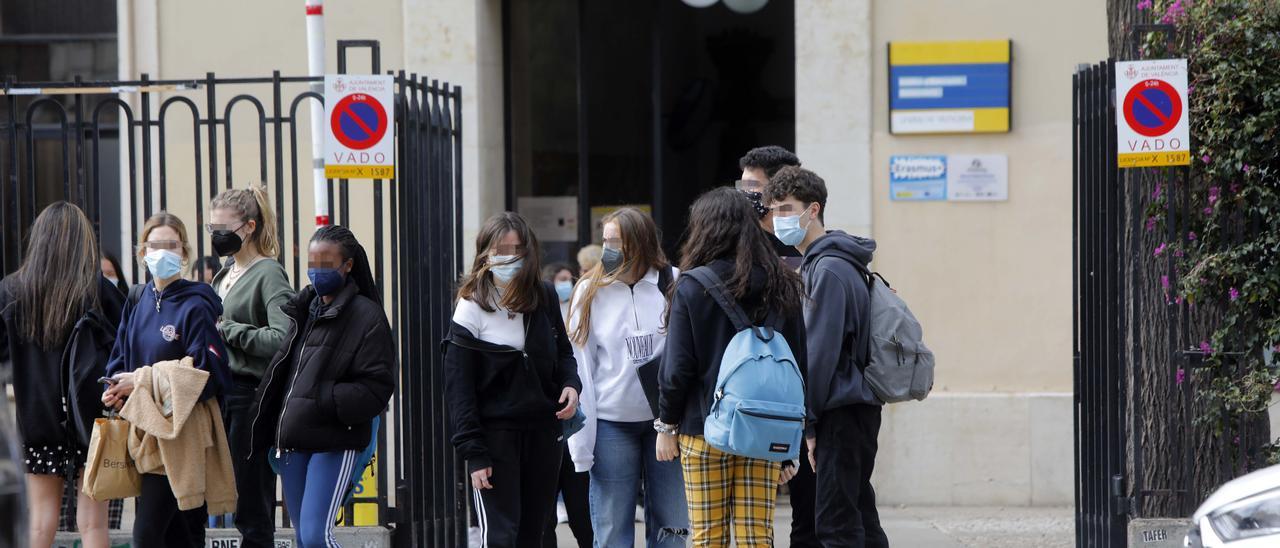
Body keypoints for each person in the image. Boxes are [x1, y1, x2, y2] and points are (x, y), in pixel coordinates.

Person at [657, 187, 807, 547]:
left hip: (703, 427)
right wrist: (792, 442)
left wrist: (666, 423)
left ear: (705, 229)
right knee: (756, 534)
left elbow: (678, 367)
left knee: (708, 536)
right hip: (763, 425)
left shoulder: (692, 286)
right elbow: (798, 364)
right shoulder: (783, 282)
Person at [247, 225, 396, 548]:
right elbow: (284, 371)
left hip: (333, 440)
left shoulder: (367, 317)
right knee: (303, 538)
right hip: (292, 443)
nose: (317, 272)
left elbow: (377, 387)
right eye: (312, 264)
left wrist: (324, 399)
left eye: (326, 264)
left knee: (316, 537)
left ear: (348, 265)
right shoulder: (304, 310)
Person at [764, 166, 888, 548]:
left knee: (836, 527)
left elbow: (819, 354)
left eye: (788, 209)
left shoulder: (828, 268)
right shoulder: (832, 262)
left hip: (840, 411)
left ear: (813, 209)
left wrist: (810, 426)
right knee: (859, 519)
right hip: (851, 408)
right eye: (776, 210)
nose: (780, 218)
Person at [443, 212, 582, 547]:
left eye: (516, 249)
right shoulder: (471, 306)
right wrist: (474, 453)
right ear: (484, 254)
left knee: (533, 533)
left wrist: (571, 386)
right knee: (501, 536)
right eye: (499, 250)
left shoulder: (544, 296)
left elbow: (564, 354)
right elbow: (459, 388)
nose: (508, 257)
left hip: (543, 434)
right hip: (495, 438)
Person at [102, 212, 233, 548]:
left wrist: (142, 381)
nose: (162, 252)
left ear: (184, 252)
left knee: (146, 535)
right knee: (180, 536)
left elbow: (208, 374)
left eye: (170, 245)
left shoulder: (197, 304)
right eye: (154, 245)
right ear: (142, 252)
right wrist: (117, 387)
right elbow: (120, 359)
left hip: (181, 436)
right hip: (143, 432)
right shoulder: (137, 299)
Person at [0, 202, 123, 548]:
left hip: (36, 418)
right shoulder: (98, 290)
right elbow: (122, 348)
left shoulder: (11, 291)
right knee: (94, 524)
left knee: (40, 521)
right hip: (92, 418)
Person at [568, 208, 688, 547]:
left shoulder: (673, 282)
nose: (609, 249)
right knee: (610, 528)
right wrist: (581, 444)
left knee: (673, 526)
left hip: (666, 422)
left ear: (641, 243)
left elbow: (686, 356)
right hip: (611, 424)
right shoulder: (589, 291)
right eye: (605, 240)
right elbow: (582, 368)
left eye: (616, 242)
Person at [208, 186, 294, 548]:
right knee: (212, 494)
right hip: (218, 393)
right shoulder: (223, 274)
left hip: (248, 397)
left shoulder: (269, 273)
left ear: (249, 227)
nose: (217, 237)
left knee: (251, 502)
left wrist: (229, 330)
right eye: (212, 230)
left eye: (224, 229)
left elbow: (283, 338)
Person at [539, 262, 593, 548]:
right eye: (561, 280)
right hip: (547, 425)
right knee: (543, 515)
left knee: (581, 510)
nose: (566, 285)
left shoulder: (577, 311)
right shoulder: (540, 316)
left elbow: (570, 360)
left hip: (573, 422)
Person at [736, 146, 803, 263]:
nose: (744, 192)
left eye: (751, 186)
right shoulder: (737, 242)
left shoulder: (803, 243)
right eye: (742, 185)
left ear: (781, 189)